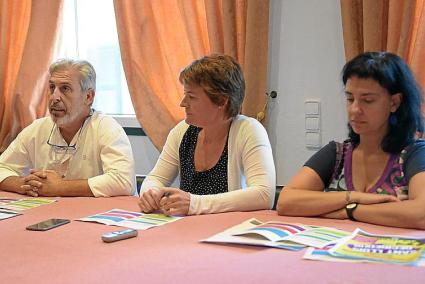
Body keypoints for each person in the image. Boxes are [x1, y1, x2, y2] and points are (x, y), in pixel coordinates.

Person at [277, 52, 425, 229]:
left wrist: (350, 211)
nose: (354, 109)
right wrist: (352, 197)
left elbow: (421, 214)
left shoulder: (415, 154)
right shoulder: (337, 153)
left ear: (394, 102)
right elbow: (286, 201)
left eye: (367, 100)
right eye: (349, 98)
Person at [138, 54, 276, 215]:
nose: (183, 103)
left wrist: (194, 203)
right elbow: (156, 178)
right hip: (188, 231)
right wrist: (151, 193)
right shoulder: (181, 132)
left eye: (191, 97)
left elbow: (264, 195)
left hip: (226, 231)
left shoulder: (249, 130)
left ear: (221, 101)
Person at [0, 59, 135, 197]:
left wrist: (59, 187)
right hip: (50, 213)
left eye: (65, 89)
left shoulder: (107, 128)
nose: (54, 97)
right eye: (52, 87)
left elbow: (123, 182)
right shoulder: (37, 128)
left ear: (88, 97)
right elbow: (2, 168)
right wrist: (25, 184)